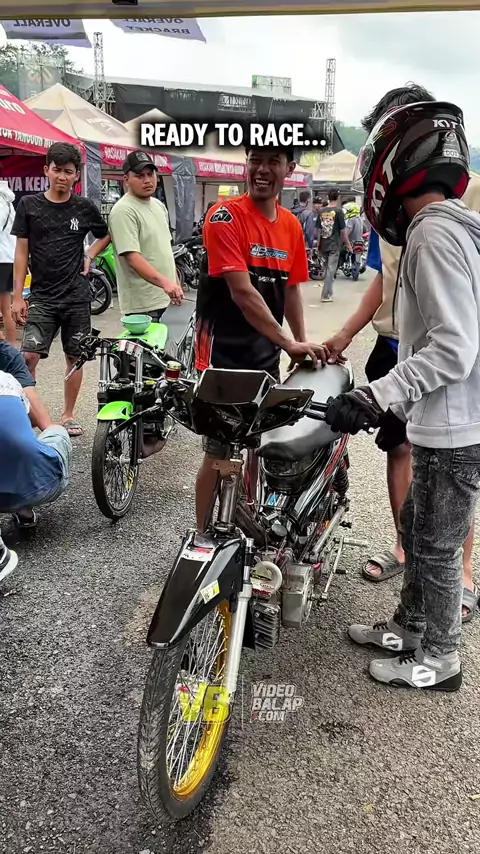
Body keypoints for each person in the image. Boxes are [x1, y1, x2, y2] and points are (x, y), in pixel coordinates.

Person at [326, 99, 480, 691]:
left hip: (457, 425)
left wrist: (377, 394)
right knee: (418, 527)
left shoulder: (434, 234)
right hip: (446, 418)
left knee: (437, 546)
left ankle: (441, 659)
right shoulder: (452, 223)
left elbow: (454, 346)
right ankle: (411, 626)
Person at [194, 140, 328, 532]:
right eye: (255, 160)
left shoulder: (291, 226)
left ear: (290, 169)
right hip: (221, 359)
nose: (262, 169)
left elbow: (291, 290)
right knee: (219, 455)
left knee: (260, 448)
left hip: (264, 357)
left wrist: (300, 347)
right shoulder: (224, 217)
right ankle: (203, 537)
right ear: (246, 164)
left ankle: (248, 528)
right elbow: (242, 292)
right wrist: (290, 343)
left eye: (273, 161)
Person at [11, 142, 109, 438]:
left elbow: (105, 235)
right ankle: (27, 414)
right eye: (57, 170)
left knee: (74, 357)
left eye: (68, 172)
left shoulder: (84, 207)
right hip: (42, 297)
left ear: (77, 175)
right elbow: (21, 252)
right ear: (46, 170)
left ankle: (68, 415)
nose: (62, 177)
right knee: (28, 356)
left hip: (77, 297)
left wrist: (90, 254)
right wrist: (17, 296)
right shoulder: (29, 205)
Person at [0, 340, 72, 582]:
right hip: (37, 486)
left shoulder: (9, 361)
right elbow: (31, 421)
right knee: (55, 433)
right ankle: (23, 508)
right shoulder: (8, 381)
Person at [108, 150, 183, 323]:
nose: (147, 180)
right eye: (139, 176)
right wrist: (166, 284)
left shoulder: (158, 206)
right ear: (126, 180)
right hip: (144, 306)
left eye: (150, 174)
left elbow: (165, 250)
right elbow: (133, 258)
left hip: (168, 298)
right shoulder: (123, 210)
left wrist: (175, 282)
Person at [317, 188, 352, 303]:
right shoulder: (339, 212)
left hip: (323, 245)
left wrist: (318, 245)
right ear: (337, 198)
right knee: (331, 271)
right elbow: (343, 231)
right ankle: (325, 295)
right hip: (334, 245)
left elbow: (318, 230)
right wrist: (348, 245)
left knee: (327, 269)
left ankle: (329, 291)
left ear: (328, 197)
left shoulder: (321, 211)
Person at [0, 180, 16, 347]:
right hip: (7, 259)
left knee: (5, 309)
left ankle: (9, 346)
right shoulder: (7, 200)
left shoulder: (1, 200)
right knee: (6, 309)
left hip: (2, 259)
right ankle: (11, 347)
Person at [342, 202, 364, 281]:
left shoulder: (351, 219)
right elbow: (365, 229)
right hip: (360, 242)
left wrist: (343, 237)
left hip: (351, 242)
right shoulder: (360, 219)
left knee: (341, 251)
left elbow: (348, 231)